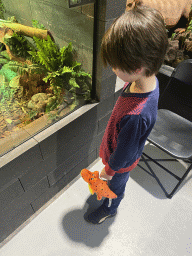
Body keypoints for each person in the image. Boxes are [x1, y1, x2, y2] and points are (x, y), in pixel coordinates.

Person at [84, 1, 168, 225]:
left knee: (115, 188)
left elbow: (124, 153)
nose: (112, 69)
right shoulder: (147, 80)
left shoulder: (137, 116)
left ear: (136, 67)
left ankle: (109, 209)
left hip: (120, 164)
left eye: (115, 65)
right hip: (118, 147)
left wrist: (108, 172)